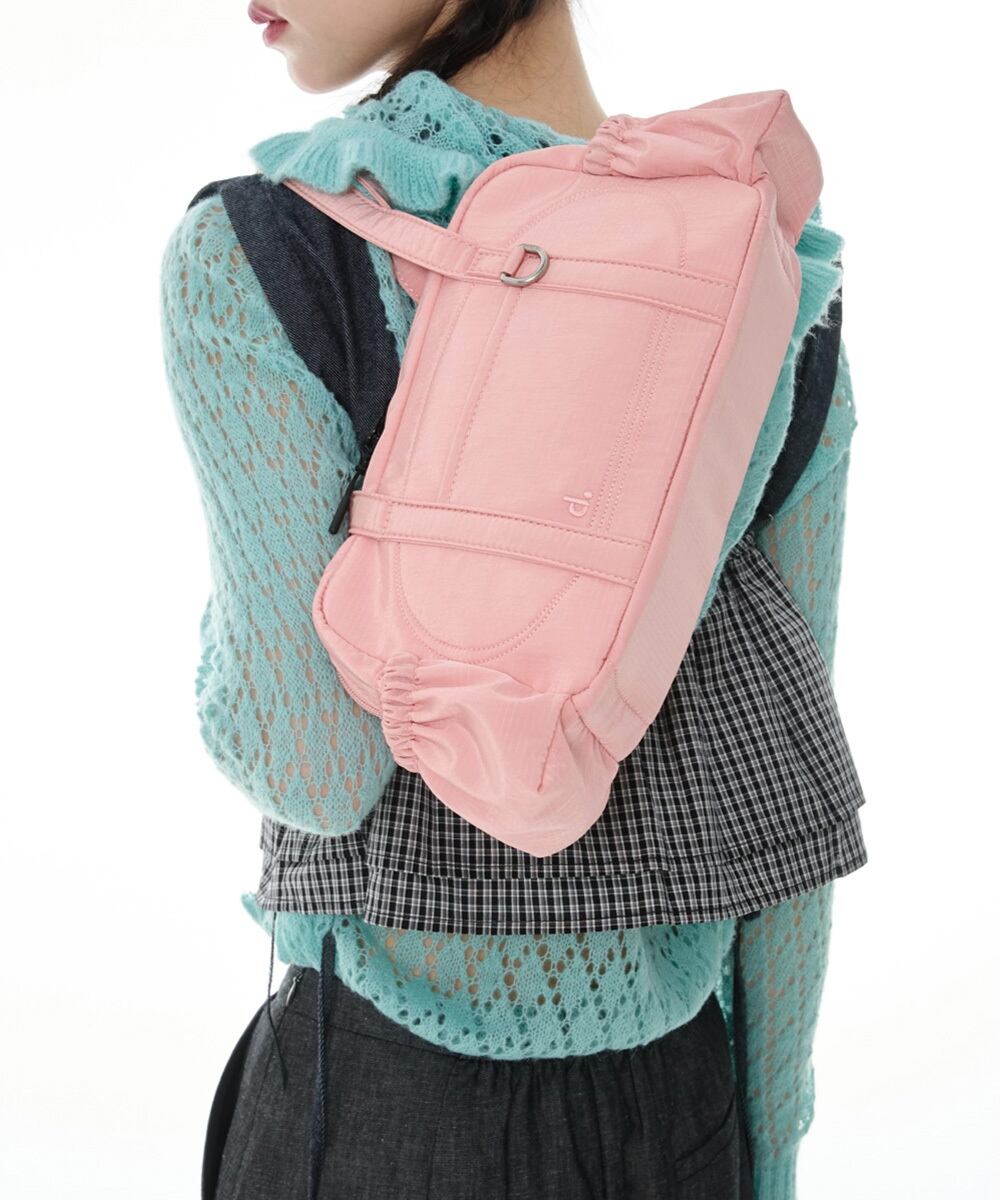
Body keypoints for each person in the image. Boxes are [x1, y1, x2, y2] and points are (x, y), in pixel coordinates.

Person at [159, 2, 868, 1198]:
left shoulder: (268, 248)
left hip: (374, 1108)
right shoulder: (769, 278)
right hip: (682, 1107)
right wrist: (769, 1144)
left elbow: (311, 767)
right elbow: (781, 842)